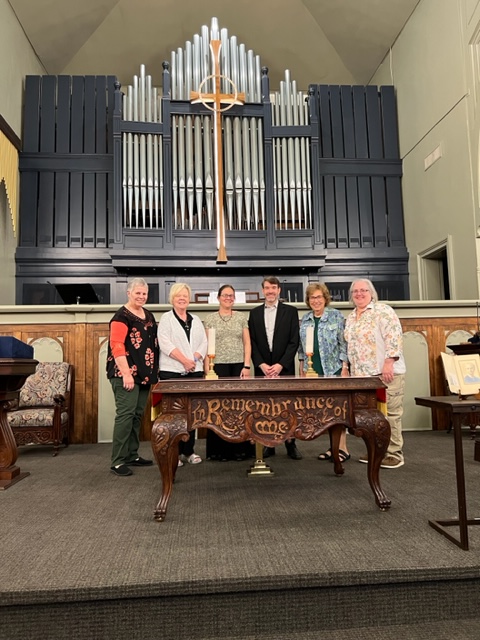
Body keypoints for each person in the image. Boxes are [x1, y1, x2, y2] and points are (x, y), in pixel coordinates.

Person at [344, 278, 406, 469]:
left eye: (364, 290)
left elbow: (394, 337)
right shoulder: (351, 317)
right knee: (372, 417)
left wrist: (389, 362)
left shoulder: (383, 311)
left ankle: (394, 453)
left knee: (391, 414)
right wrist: (347, 367)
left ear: (372, 293)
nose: (359, 294)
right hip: (363, 377)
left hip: (385, 374)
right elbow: (349, 346)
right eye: (355, 291)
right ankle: (377, 451)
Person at [107, 278, 159, 477]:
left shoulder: (149, 315)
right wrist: (127, 373)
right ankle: (118, 461)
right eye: (138, 293)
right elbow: (117, 346)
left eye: (144, 293)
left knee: (136, 415)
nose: (141, 296)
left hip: (144, 375)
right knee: (125, 415)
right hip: (125, 374)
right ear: (128, 293)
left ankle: (131, 455)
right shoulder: (121, 316)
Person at [248, 276, 302, 459]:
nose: (270, 291)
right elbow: (252, 342)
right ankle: (268, 444)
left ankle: (290, 443)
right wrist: (261, 364)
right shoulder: (254, 313)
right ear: (263, 291)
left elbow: (294, 341)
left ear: (279, 290)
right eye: (267, 288)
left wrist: (280, 365)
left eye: (273, 287)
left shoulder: (291, 311)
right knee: (264, 408)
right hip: (262, 369)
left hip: (284, 368)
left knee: (287, 408)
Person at [298, 282, 350, 462]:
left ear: (325, 298)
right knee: (324, 412)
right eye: (312, 297)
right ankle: (333, 447)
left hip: (334, 369)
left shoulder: (335, 316)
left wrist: (345, 367)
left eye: (319, 297)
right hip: (313, 369)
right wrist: (302, 367)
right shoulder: (306, 319)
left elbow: (343, 344)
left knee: (338, 410)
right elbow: (301, 347)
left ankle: (342, 448)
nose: (316, 301)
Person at [203, 284, 255, 461]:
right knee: (219, 409)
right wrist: (207, 370)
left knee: (239, 408)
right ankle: (220, 451)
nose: (228, 298)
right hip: (217, 367)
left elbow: (247, 343)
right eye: (225, 295)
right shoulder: (210, 319)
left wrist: (246, 366)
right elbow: (206, 346)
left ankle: (241, 450)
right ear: (218, 298)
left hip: (238, 366)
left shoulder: (241, 317)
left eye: (231, 295)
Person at [157, 282, 207, 466]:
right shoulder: (166, 319)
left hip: (194, 371)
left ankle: (189, 451)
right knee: (174, 416)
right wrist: (184, 361)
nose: (182, 299)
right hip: (172, 371)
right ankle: (174, 453)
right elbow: (165, 343)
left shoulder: (196, 319)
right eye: (179, 296)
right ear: (172, 298)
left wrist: (194, 359)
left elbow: (204, 342)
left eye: (185, 296)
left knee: (191, 414)